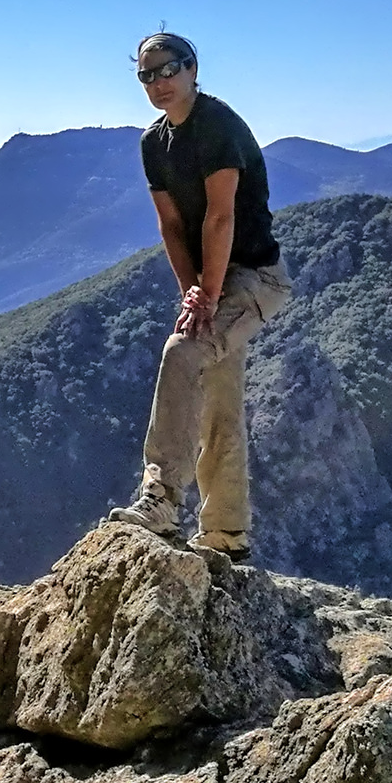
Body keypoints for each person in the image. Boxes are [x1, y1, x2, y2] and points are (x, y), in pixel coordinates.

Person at [108, 32, 291, 562]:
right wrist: (194, 292)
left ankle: (161, 498)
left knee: (183, 352)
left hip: (255, 276)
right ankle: (227, 531)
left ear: (192, 68)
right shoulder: (153, 143)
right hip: (211, 277)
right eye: (147, 75)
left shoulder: (218, 126)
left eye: (169, 69)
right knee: (217, 394)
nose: (159, 82)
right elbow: (170, 224)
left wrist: (207, 296)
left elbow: (220, 216)